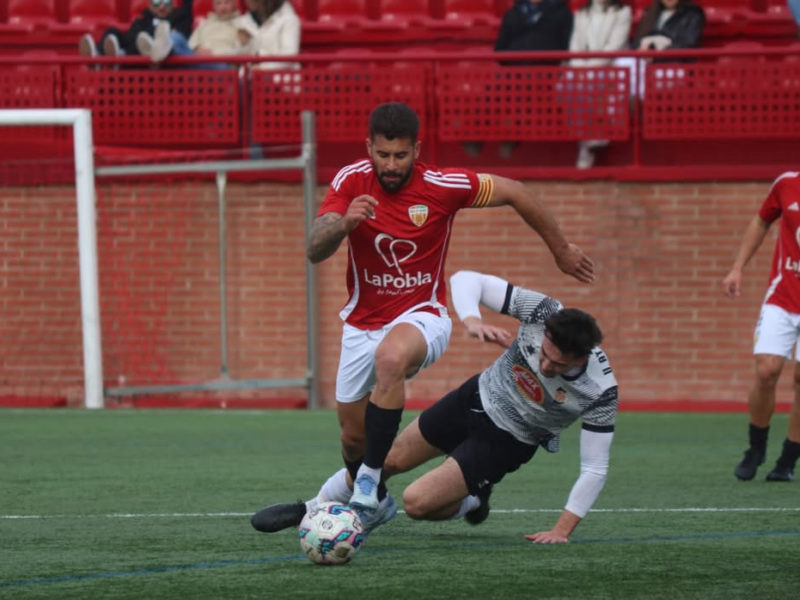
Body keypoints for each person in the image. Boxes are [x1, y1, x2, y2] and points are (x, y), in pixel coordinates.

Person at [250, 102, 595, 535]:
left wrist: (560, 249)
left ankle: (366, 486)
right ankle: (367, 499)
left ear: (417, 149)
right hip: (361, 324)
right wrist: (343, 224)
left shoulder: (442, 185)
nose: (391, 165)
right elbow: (314, 249)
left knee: (391, 358)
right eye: (382, 154)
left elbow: (515, 191)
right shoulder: (350, 181)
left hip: (423, 314)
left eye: (400, 155)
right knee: (353, 439)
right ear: (369, 148)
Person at [253, 269, 617, 541]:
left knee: (417, 503)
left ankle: (474, 500)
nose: (545, 366)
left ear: (582, 357)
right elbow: (466, 279)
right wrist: (472, 321)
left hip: (509, 438)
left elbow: (595, 468)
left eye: (557, 364)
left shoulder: (599, 390)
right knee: (385, 460)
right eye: (545, 354)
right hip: (473, 398)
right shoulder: (542, 312)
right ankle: (312, 508)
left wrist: (562, 529)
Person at [723, 171, 800, 482]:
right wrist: (737, 268)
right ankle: (756, 448)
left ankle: (787, 461)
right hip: (783, 295)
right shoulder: (787, 183)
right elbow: (761, 221)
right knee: (767, 370)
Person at [464, 0, 573, 159]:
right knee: (495, 90)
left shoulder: (562, 14)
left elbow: (566, 47)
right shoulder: (513, 14)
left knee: (522, 88)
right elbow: (500, 50)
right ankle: (475, 138)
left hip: (546, 76)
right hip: (513, 74)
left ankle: (510, 136)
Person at [568, 0, 632, 169]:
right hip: (584, 70)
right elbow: (575, 46)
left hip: (611, 68)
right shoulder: (581, 14)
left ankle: (588, 146)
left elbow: (614, 47)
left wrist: (588, 70)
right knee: (565, 87)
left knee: (590, 85)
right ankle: (590, 141)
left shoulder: (623, 12)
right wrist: (580, 68)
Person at [136, 0, 241, 66]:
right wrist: (197, 51)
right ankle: (156, 48)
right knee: (176, 37)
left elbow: (245, 49)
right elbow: (190, 46)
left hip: (223, 64)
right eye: (219, 3)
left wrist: (217, 54)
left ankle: (153, 51)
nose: (223, 7)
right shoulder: (204, 24)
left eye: (227, 3)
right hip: (198, 62)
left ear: (234, 5)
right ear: (214, 6)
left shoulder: (242, 23)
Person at [78, 0, 194, 59]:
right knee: (112, 32)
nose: (161, 6)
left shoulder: (180, 18)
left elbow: (180, 37)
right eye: (156, 2)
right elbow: (130, 37)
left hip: (154, 59)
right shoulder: (141, 20)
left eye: (166, 2)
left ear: (173, 4)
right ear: (149, 5)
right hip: (133, 48)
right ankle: (97, 56)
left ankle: (119, 56)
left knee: (145, 39)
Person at [234, 0, 301, 70]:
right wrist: (243, 44)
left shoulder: (289, 19)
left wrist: (263, 68)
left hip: (279, 74)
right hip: (249, 74)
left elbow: (289, 57)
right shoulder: (244, 20)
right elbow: (238, 57)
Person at [632, 0, 704, 53]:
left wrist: (663, 44)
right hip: (649, 62)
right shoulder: (650, 13)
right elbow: (637, 42)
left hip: (677, 63)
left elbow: (688, 44)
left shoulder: (693, 14)